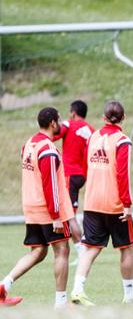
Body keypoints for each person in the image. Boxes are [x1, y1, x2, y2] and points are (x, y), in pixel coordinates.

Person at [70, 101, 133, 306]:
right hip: (115, 204)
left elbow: (87, 167)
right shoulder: (122, 141)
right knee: (126, 248)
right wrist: (127, 204)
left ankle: (77, 290)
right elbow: (123, 175)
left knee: (90, 248)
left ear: (104, 117)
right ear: (124, 118)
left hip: (92, 202)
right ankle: (129, 295)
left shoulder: (93, 137)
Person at [1, 107, 73, 308]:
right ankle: (61, 303)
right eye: (59, 120)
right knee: (62, 250)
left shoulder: (29, 144)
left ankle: (4, 285)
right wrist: (56, 215)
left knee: (39, 251)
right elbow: (50, 184)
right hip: (47, 210)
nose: (61, 124)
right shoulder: (47, 149)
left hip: (31, 206)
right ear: (53, 123)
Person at [53, 100, 95, 265]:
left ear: (73, 112)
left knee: (69, 216)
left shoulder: (68, 124)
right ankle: (81, 250)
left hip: (69, 175)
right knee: (71, 214)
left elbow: (54, 135)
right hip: (82, 175)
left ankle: (81, 252)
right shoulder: (90, 129)